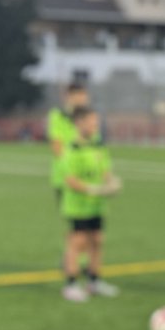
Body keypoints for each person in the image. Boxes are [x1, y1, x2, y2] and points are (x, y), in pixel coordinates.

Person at [60, 106, 121, 302]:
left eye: (96, 121)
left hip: (97, 205)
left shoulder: (98, 146)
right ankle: (71, 284)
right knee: (77, 243)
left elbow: (105, 171)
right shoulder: (72, 149)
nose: (95, 125)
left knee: (97, 240)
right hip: (78, 205)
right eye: (91, 121)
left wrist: (112, 183)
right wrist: (93, 189)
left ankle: (94, 281)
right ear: (79, 123)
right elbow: (70, 180)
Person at [47, 81, 89, 207]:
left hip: (87, 176)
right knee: (75, 221)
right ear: (69, 97)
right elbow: (56, 146)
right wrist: (71, 169)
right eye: (78, 95)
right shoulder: (58, 116)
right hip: (65, 177)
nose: (82, 99)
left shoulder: (89, 117)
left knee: (90, 221)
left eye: (83, 95)